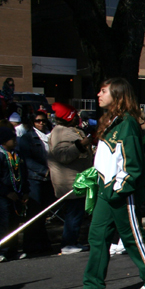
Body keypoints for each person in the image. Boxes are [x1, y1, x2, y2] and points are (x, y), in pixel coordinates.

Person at [67, 78, 145, 289]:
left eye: (104, 91)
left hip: (121, 190)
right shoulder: (111, 121)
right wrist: (95, 176)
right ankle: (94, 287)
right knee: (97, 236)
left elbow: (132, 164)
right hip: (105, 189)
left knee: (132, 237)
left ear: (118, 95)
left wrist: (119, 187)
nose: (99, 95)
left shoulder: (127, 123)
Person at [48, 102, 93, 254]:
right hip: (70, 181)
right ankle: (68, 243)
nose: (78, 119)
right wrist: (80, 145)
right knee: (74, 213)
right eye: (75, 116)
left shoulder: (69, 130)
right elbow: (62, 155)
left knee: (77, 213)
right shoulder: (60, 132)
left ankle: (73, 241)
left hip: (77, 178)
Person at [0, 126, 28, 263]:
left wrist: (26, 190)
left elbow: (24, 173)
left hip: (17, 193)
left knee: (14, 223)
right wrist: (6, 192)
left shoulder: (17, 154)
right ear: (4, 141)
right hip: (3, 196)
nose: (15, 141)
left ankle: (13, 250)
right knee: (3, 223)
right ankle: (0, 251)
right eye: (12, 139)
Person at [18, 109, 54, 254]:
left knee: (44, 212)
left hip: (49, 178)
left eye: (43, 120)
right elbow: (26, 160)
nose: (41, 123)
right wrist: (43, 171)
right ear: (32, 122)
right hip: (35, 179)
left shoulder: (50, 135)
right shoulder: (27, 138)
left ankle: (43, 245)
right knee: (34, 213)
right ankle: (31, 246)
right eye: (38, 121)